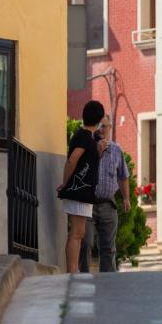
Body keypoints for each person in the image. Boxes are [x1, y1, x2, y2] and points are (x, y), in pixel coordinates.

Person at [58, 101, 104, 274]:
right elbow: (72, 160)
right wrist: (65, 183)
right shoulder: (83, 136)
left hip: (83, 190)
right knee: (77, 232)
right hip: (79, 190)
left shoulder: (88, 137)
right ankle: (72, 269)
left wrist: (99, 151)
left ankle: (73, 268)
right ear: (99, 119)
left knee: (80, 232)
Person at [80, 116, 130, 273]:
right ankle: (84, 278)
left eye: (105, 126)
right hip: (87, 203)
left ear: (110, 129)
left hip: (108, 204)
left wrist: (126, 198)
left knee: (108, 247)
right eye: (99, 126)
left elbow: (122, 176)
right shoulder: (86, 147)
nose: (102, 129)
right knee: (86, 243)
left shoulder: (116, 150)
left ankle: (107, 283)